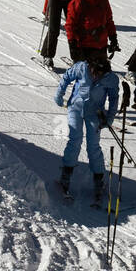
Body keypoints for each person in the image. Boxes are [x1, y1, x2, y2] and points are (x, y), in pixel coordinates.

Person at [53, 53, 119, 205]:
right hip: (75, 108)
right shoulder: (81, 68)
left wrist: (109, 118)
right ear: (90, 67)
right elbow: (66, 77)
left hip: (94, 113)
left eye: (100, 74)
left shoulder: (110, 79)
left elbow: (114, 98)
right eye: (94, 72)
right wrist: (59, 95)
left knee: (93, 145)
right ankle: (66, 176)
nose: (96, 76)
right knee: (75, 140)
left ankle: (98, 179)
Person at [64, 0, 119, 65]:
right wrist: (72, 43)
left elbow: (109, 21)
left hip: (100, 44)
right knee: (86, 75)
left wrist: (113, 38)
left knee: (101, 74)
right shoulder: (78, 1)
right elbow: (70, 24)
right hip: (84, 45)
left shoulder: (103, 1)